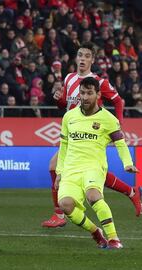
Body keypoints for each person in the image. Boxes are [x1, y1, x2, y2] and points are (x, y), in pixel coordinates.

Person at [42, 42, 141, 228]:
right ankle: (132, 192)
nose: (82, 59)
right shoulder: (69, 78)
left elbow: (118, 101)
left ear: (92, 60)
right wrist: (59, 100)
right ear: (76, 58)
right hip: (73, 131)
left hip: (93, 131)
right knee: (91, 173)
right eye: (80, 55)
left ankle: (59, 214)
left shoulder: (99, 82)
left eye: (87, 56)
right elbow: (66, 105)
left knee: (55, 165)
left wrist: (118, 124)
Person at [55, 77, 139, 249]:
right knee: (65, 205)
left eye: (89, 93)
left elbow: (120, 143)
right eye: (82, 93)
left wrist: (127, 163)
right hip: (71, 169)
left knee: (93, 196)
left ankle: (114, 238)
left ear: (98, 94)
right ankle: (95, 232)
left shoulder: (108, 119)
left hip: (94, 167)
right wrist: (59, 172)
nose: (85, 97)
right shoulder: (69, 117)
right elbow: (63, 147)